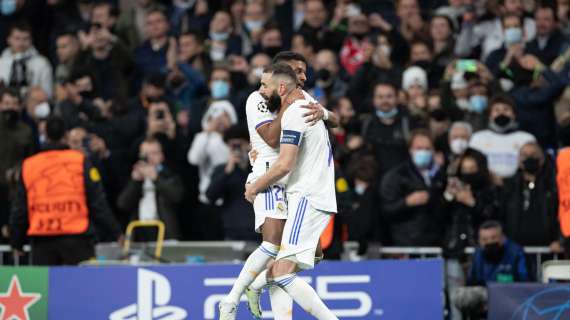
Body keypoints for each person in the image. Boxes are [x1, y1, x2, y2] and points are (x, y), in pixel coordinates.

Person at [219, 53, 337, 320]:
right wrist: (288, 104)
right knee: (273, 246)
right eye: (298, 71)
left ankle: (262, 292)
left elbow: (336, 120)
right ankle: (231, 299)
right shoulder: (258, 99)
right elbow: (272, 140)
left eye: (305, 72)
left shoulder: (303, 102)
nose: (303, 77)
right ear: (281, 78)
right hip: (268, 177)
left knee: (305, 257)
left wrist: (325, 113)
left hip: (291, 182)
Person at [9, 117, 122, 265]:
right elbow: (98, 203)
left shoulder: (29, 165)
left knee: (47, 288)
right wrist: (116, 232)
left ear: (46, 136)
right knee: (80, 287)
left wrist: (16, 242)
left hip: (42, 241)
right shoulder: (81, 161)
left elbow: (20, 208)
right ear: (66, 136)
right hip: (76, 239)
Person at [380, 129, 446, 246]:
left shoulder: (440, 175)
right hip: (406, 243)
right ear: (410, 150)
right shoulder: (396, 176)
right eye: (419, 148)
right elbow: (385, 210)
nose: (423, 152)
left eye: (427, 149)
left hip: (436, 241)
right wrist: (407, 202)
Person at [452, 221, 529, 318]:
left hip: (510, 296)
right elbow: (471, 281)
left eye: (493, 238)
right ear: (479, 241)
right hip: (484, 298)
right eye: (485, 239)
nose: (489, 242)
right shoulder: (478, 254)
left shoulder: (515, 252)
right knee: (461, 296)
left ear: (502, 238)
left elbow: (525, 282)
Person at [117, 138, 183, 240]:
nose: (150, 158)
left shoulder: (170, 175)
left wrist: (156, 179)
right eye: (145, 154)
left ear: (161, 156)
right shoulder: (134, 176)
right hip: (139, 229)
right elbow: (123, 204)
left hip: (164, 230)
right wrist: (136, 182)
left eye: (154, 153)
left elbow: (176, 197)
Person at [500, 142, 562, 251]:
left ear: (542, 158)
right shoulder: (508, 186)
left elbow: (562, 214)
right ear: (518, 160)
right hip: (515, 251)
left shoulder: (554, 186)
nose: (529, 158)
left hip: (549, 249)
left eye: (534, 155)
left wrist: (560, 240)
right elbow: (501, 215)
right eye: (524, 155)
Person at [206, 125, 256, 240]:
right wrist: (227, 171)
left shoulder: (258, 167)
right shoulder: (222, 169)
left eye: (240, 145)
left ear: (248, 145)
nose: (237, 149)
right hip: (232, 229)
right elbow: (210, 195)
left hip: (257, 228)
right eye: (233, 146)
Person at [469, 95, 536, 181]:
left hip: (518, 187)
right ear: (490, 115)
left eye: (506, 109)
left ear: (514, 115)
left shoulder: (526, 138)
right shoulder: (477, 138)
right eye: (496, 110)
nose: (501, 113)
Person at [0, 88, 35, 240]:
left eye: (14, 104)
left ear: (20, 107)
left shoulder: (27, 130)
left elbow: (33, 160)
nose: (10, 108)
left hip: (18, 192)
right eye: (6, 103)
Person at [0, 21, 53, 97]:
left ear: (31, 40)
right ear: (9, 39)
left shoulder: (42, 63)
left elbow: (48, 94)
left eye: (26, 39)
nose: (21, 43)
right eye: (17, 38)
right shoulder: (1, 62)